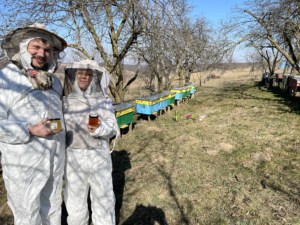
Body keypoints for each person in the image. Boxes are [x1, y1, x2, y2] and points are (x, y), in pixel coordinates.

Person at [0, 24, 67, 225]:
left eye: (47, 50)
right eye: (35, 47)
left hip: (55, 159)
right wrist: (28, 128)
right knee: (28, 215)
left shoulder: (54, 81)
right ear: (23, 48)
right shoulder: (7, 79)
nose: (42, 53)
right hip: (23, 165)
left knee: (53, 208)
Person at [63, 59, 120, 225]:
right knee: (75, 204)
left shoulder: (103, 101)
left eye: (88, 74)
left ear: (94, 78)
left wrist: (100, 128)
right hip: (73, 158)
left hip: (99, 157)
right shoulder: (64, 102)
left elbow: (114, 129)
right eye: (80, 73)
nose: (83, 77)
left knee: (104, 201)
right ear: (74, 76)